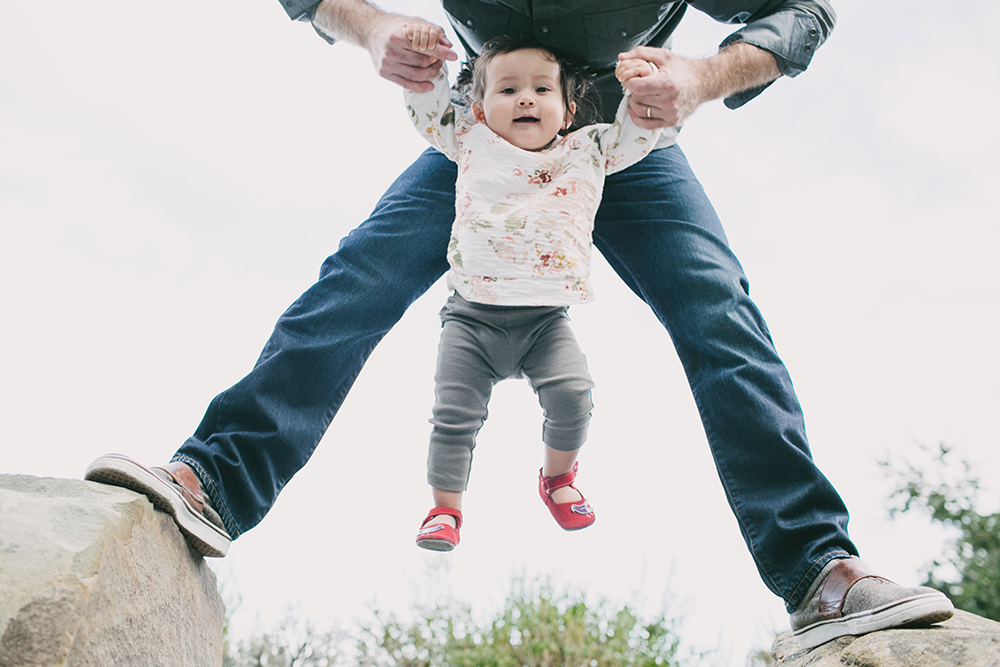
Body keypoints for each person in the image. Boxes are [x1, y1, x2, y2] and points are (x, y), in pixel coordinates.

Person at [83, 0, 955, 649]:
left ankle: (818, 571)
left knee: (718, 310)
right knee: (359, 276)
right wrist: (372, 26)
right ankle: (215, 483)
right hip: (489, 138)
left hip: (624, 140)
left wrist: (702, 75)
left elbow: (801, 11)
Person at [403, 30, 668, 551]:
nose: (525, 97)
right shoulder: (470, 141)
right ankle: (444, 510)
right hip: (470, 319)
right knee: (454, 418)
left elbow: (637, 135)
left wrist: (643, 93)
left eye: (541, 89)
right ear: (478, 109)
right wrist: (425, 70)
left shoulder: (587, 150)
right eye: (507, 90)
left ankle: (557, 479)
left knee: (574, 396)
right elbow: (428, 113)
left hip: (546, 320)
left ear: (568, 111)